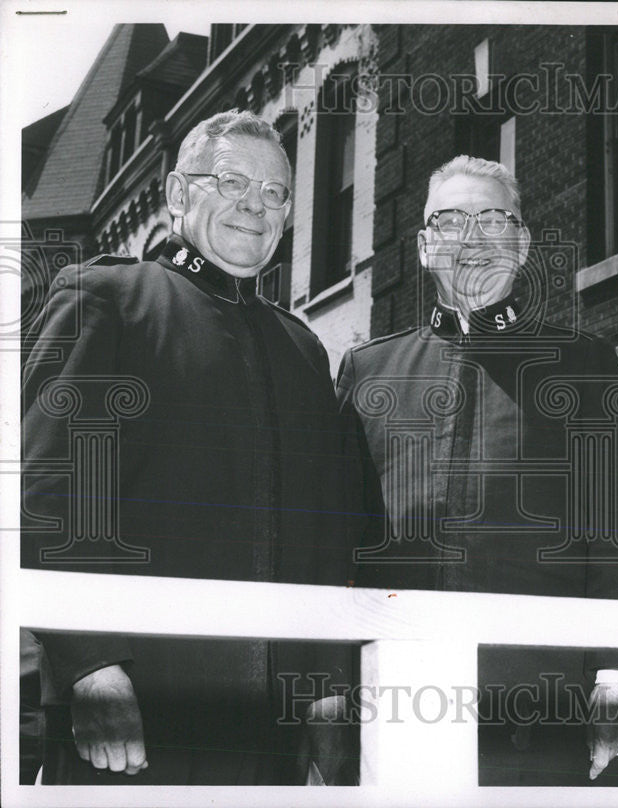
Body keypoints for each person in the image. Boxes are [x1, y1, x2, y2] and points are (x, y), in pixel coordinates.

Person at [21, 110, 362, 785]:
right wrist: (91, 665)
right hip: (136, 722)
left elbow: (326, 540)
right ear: (178, 195)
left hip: (270, 738)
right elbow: (50, 498)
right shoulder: (107, 299)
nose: (254, 206)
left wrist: (324, 692)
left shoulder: (301, 348)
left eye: (275, 193)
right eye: (231, 181)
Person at [336, 155, 618, 785]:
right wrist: (326, 688)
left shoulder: (584, 367)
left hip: (541, 713)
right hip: (392, 707)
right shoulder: (369, 371)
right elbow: (335, 542)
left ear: (523, 241)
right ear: (426, 246)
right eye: (450, 221)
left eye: (492, 219)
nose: (472, 238)